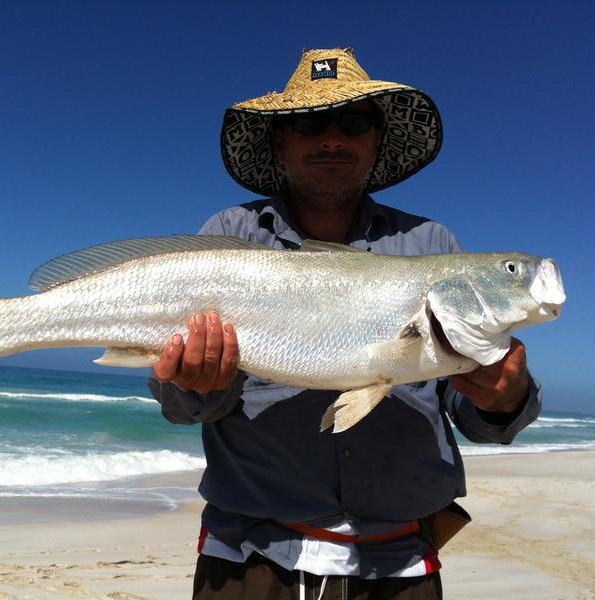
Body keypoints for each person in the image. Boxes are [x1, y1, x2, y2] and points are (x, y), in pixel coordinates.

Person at [148, 48, 541, 600]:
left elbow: (475, 417)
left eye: (353, 123)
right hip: (250, 557)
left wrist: (504, 396)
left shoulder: (431, 246)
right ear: (280, 144)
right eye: (310, 124)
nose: (332, 139)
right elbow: (184, 407)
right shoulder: (230, 236)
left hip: (399, 563)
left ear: (375, 142)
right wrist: (192, 383)